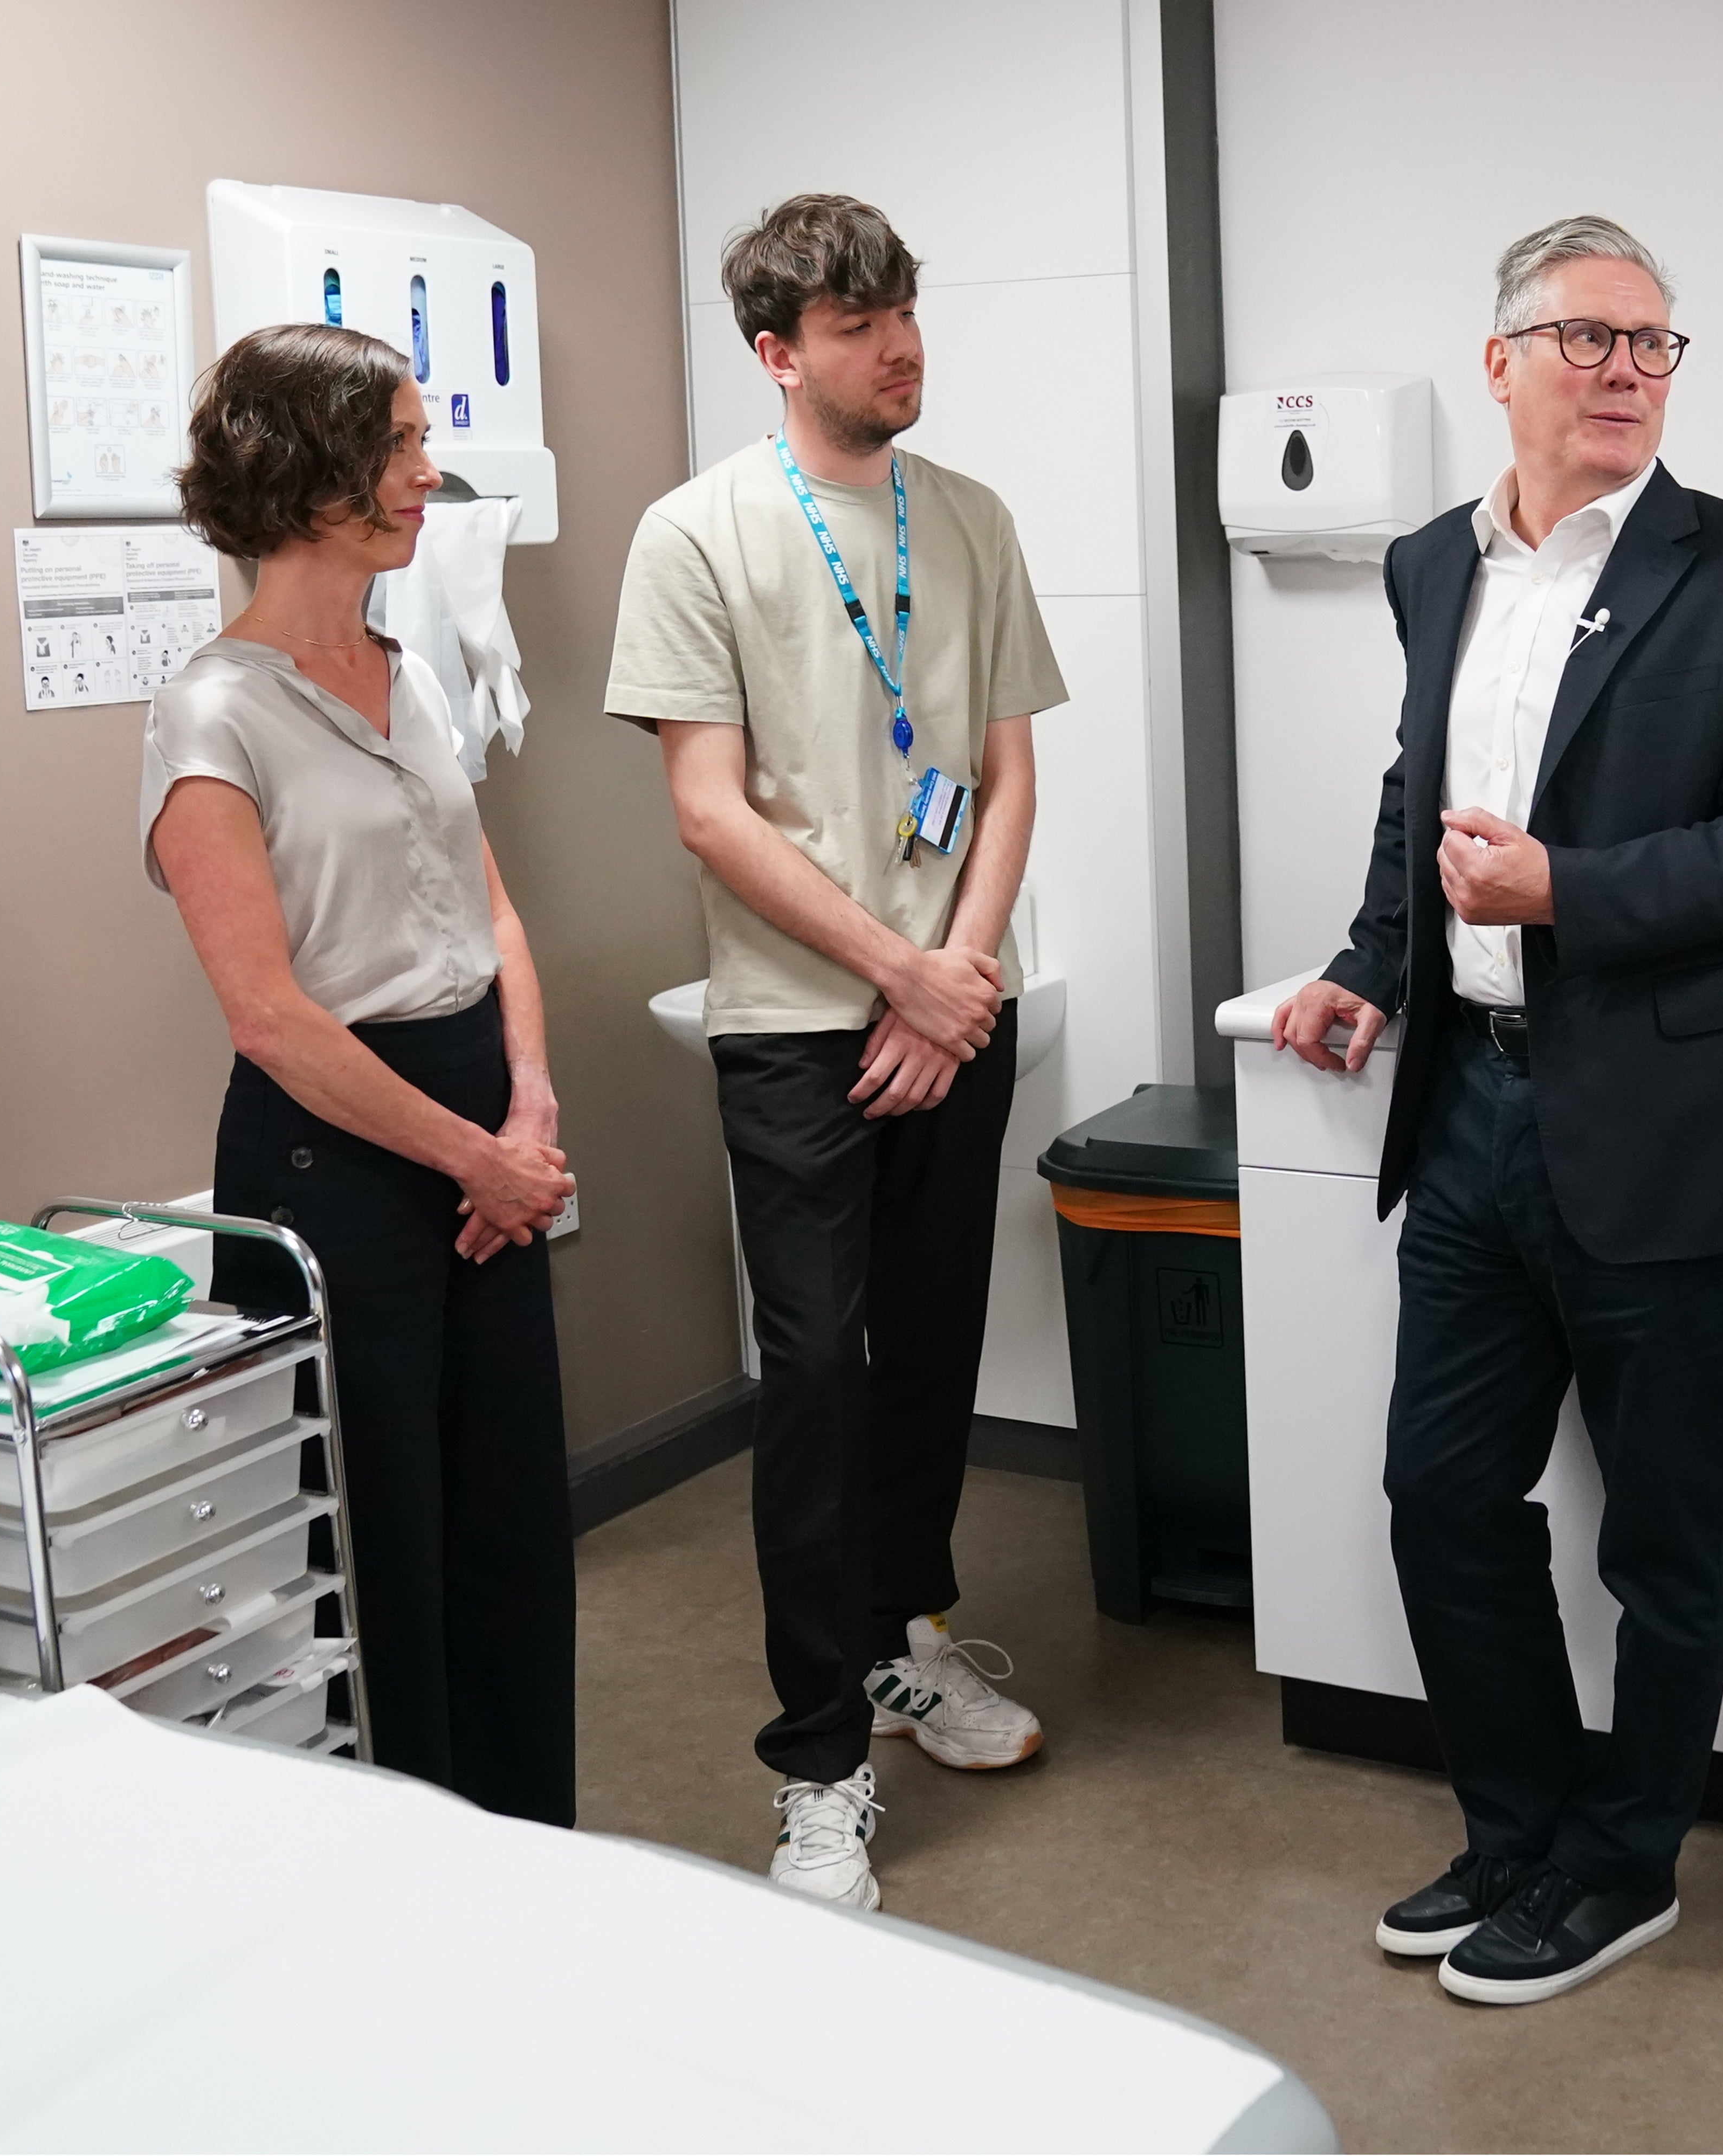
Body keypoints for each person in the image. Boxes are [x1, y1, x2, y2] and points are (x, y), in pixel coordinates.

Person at [1271, 215, 1723, 2007]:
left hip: (1678, 1122)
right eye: (1589, 339)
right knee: (1441, 1495)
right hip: (1475, 1115)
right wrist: (1371, 963)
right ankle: (1519, 1828)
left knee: (1668, 1535)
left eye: (1654, 346)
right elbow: (1420, 792)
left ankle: (1626, 1867)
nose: (1625, 372)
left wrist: (1567, 893)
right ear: (1503, 365)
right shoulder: (1429, 568)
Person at [606, 194, 1065, 1912]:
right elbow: (707, 815)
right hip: (804, 1031)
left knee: (930, 1350)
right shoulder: (697, 534)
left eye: (907, 311)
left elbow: (1009, 774)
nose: (903, 345)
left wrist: (958, 974)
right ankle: (815, 1764)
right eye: (861, 321)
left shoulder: (972, 520)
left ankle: (900, 1644)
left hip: (950, 1008)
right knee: (808, 1379)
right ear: (776, 351)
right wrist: (899, 975)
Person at [143, 323, 579, 1824]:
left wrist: (528, 1106)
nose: (427, 470)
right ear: (313, 470)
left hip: (480, 1124)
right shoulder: (212, 713)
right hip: (337, 1155)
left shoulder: (412, 674)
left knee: (511, 1528)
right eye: (400, 442)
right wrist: (473, 1158)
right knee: (378, 1550)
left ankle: (530, 1849)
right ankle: (408, 1879)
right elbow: (269, 1015)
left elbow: (496, 909)